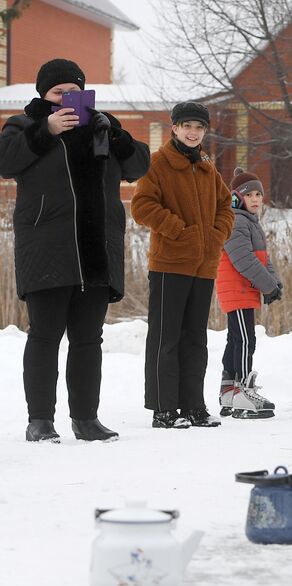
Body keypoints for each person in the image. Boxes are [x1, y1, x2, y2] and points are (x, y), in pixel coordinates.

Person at [1, 58, 149, 443]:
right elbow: (6, 161)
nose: (66, 98)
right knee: (45, 335)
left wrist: (117, 137)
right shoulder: (24, 124)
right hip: (47, 247)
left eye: (73, 91)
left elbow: (139, 166)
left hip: (95, 250)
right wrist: (45, 131)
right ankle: (40, 421)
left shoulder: (103, 124)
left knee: (88, 339)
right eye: (57, 92)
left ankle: (85, 419)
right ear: (43, 94)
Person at [133, 101, 234, 429]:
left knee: (195, 338)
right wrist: (179, 231)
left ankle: (194, 406)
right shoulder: (159, 163)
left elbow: (226, 206)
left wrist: (216, 235)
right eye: (187, 126)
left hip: (204, 266)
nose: (193, 132)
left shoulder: (207, 165)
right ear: (174, 128)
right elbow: (142, 205)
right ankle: (164, 409)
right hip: (169, 264)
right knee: (166, 337)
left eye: (199, 127)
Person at [215, 169, 281, 419]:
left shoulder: (249, 221)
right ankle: (243, 389)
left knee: (236, 339)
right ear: (237, 198)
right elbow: (244, 261)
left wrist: (275, 282)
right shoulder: (236, 221)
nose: (255, 199)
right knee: (245, 340)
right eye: (249, 195)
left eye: (258, 194)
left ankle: (229, 392)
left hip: (244, 289)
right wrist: (267, 285)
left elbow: (262, 259)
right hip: (238, 288)